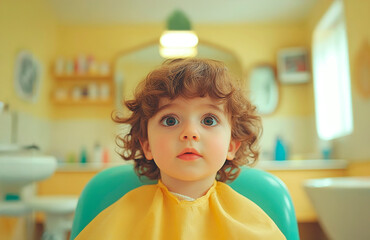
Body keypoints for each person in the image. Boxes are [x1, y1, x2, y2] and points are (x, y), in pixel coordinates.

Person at [75, 58, 285, 239]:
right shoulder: (120, 219)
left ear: (231, 145)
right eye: (170, 120)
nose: (190, 133)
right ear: (146, 144)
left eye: (209, 120)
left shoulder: (251, 223)